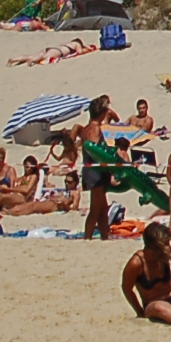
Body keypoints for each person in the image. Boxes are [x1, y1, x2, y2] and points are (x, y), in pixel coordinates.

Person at [75, 96, 120, 241]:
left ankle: (104, 237)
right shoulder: (95, 129)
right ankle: (87, 237)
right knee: (95, 209)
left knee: (102, 208)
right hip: (96, 172)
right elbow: (96, 151)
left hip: (91, 171)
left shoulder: (85, 128)